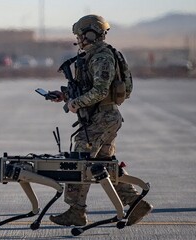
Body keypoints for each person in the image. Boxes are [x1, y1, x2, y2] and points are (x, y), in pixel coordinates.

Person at [48, 14, 153, 226]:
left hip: (102, 118)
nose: (78, 39)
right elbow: (90, 89)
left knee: (79, 160)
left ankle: (76, 211)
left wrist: (74, 104)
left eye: (80, 35)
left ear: (91, 34)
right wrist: (65, 95)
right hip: (102, 117)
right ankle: (135, 203)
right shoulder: (93, 56)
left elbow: (100, 91)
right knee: (103, 166)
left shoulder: (101, 57)